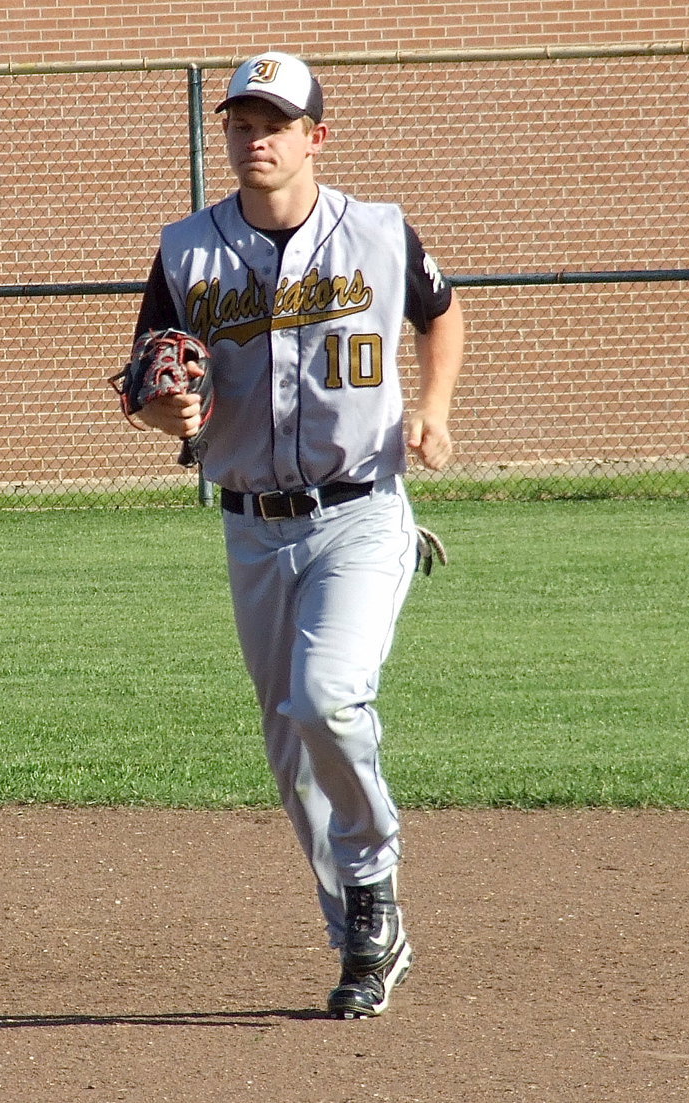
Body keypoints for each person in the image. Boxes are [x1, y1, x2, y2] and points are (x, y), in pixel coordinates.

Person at [130, 50, 464, 1018]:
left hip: (361, 510)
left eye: (275, 122)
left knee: (326, 699)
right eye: (241, 121)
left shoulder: (380, 231)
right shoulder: (188, 247)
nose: (255, 137)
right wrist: (163, 414)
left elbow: (441, 316)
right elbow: (152, 371)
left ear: (316, 135)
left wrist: (435, 407)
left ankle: (375, 877)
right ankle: (365, 931)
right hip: (251, 527)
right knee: (290, 749)